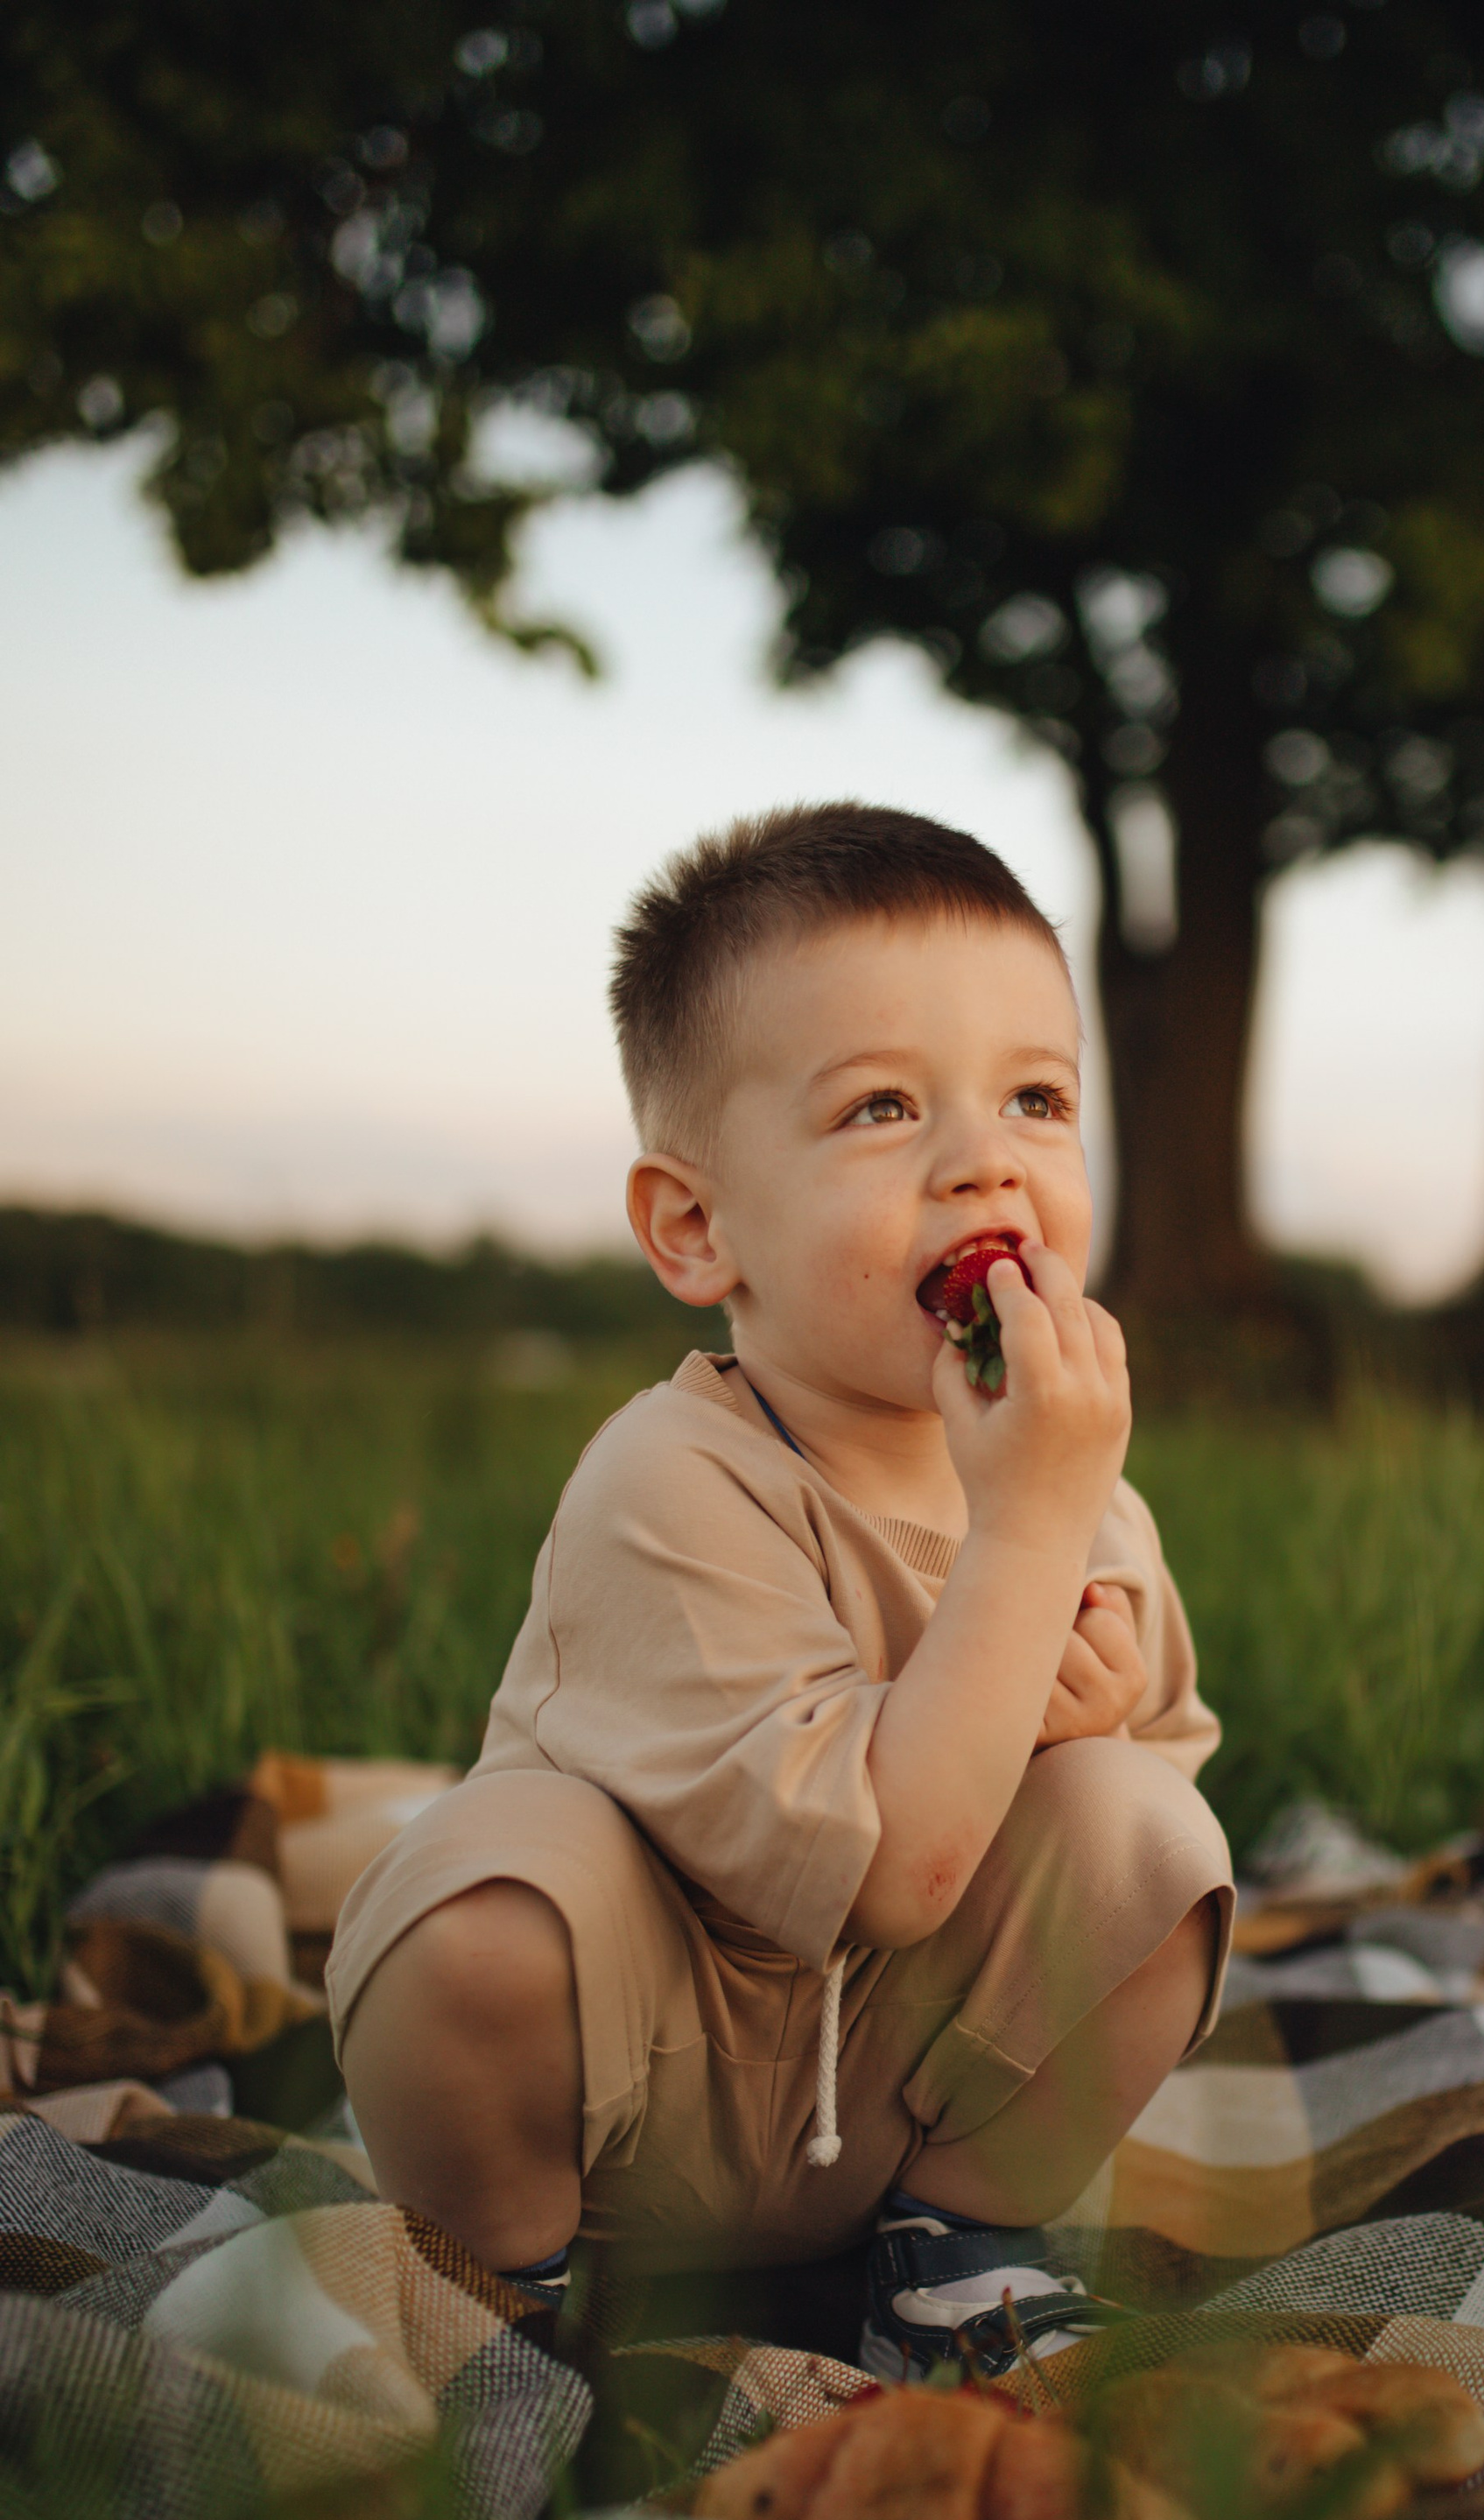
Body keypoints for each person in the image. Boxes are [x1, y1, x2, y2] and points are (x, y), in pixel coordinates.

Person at [328, 803, 1232, 2373]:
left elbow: (1123, 1865)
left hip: (881, 2108)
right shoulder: (671, 1480)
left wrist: (1085, 1732)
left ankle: (953, 2248)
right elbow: (886, 1868)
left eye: (1036, 1098)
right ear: (697, 1227)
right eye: (883, 1109)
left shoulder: (1072, 1489)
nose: (983, 1163)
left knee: (1151, 1836)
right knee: (475, 1915)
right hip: (629, 2099)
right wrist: (1022, 1549)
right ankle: (496, 2298)